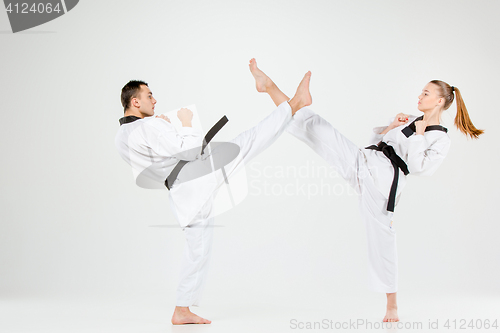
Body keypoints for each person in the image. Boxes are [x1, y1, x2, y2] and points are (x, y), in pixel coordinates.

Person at [249, 61, 483, 323]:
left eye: (426, 94)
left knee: (383, 241)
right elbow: (378, 144)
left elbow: (419, 168)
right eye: (421, 92)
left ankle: (391, 305)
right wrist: (391, 126)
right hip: (365, 161)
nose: (420, 96)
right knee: (317, 127)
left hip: (383, 186)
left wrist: (417, 136)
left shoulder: (440, 137)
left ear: (440, 101)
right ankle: (270, 87)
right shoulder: (411, 119)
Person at [114, 60, 312, 325]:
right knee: (249, 141)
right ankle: (294, 104)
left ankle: (182, 309)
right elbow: (189, 149)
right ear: (135, 102)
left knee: (197, 247)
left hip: (180, 189)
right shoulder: (147, 127)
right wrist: (184, 122)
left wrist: (163, 127)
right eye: (149, 95)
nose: (155, 100)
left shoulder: (122, 135)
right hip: (196, 174)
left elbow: (156, 159)